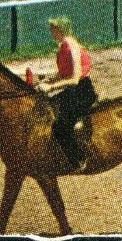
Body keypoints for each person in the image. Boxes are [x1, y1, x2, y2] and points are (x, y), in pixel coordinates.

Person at [39, 17, 97, 172]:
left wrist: (50, 88)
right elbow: (64, 72)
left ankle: (78, 160)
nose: (51, 32)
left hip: (82, 92)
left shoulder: (71, 47)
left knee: (60, 127)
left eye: (53, 29)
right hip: (73, 91)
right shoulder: (63, 46)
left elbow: (74, 79)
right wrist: (48, 79)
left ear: (60, 29)